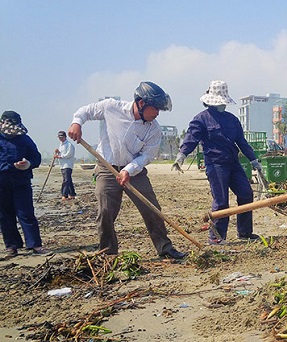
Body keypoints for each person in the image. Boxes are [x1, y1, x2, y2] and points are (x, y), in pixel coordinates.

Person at [67, 81, 186, 259]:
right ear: (141, 103)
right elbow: (86, 111)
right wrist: (77, 123)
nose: (157, 113)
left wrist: (128, 170)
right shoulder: (111, 107)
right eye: (155, 108)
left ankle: (165, 247)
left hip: (135, 172)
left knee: (151, 208)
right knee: (105, 211)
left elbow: (146, 156)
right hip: (107, 167)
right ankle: (108, 252)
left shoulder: (154, 129)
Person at [172, 80, 261, 245]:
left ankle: (245, 232)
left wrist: (253, 159)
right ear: (210, 102)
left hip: (233, 163)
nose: (222, 105)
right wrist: (181, 155)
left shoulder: (233, 120)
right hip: (215, 164)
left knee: (246, 193)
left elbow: (242, 142)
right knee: (221, 201)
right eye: (219, 103)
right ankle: (216, 237)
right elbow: (191, 138)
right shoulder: (201, 119)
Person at [0, 111, 51, 259]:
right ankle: (12, 246)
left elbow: (36, 157)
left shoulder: (25, 139)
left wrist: (28, 164)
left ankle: (35, 244)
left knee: (26, 213)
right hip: (2, 182)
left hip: (21, 181)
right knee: (5, 216)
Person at [55, 130, 77, 200]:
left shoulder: (69, 145)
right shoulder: (61, 145)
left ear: (65, 137)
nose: (60, 138)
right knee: (68, 180)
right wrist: (58, 152)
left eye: (61, 137)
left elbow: (69, 154)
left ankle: (64, 194)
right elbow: (60, 154)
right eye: (59, 137)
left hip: (68, 165)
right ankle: (72, 194)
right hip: (62, 165)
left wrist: (60, 156)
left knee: (66, 180)